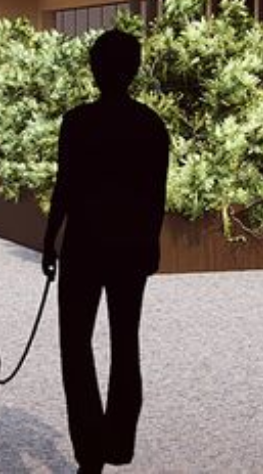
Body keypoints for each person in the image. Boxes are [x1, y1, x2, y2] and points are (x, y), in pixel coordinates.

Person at [42, 29, 170, 474]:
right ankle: (119, 444)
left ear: (96, 70)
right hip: (131, 248)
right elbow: (157, 195)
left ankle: (89, 454)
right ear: (133, 70)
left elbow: (65, 186)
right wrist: (152, 244)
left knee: (75, 346)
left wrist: (50, 238)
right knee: (125, 343)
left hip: (84, 246)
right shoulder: (151, 124)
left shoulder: (78, 122)